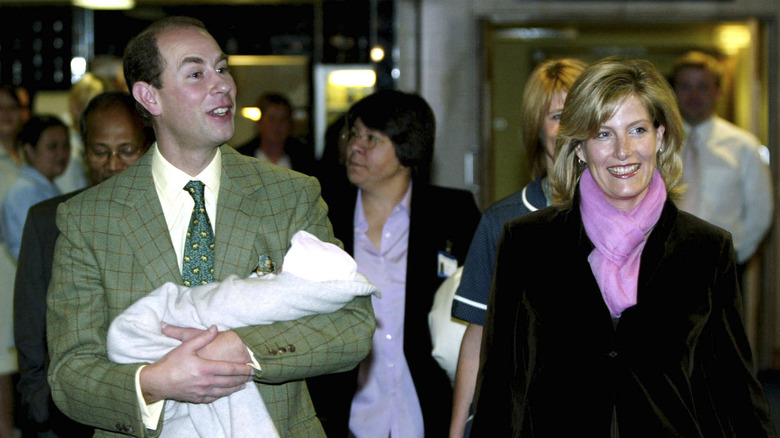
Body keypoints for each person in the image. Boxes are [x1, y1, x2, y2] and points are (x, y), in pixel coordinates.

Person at [46, 16, 374, 437]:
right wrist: (153, 383)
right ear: (150, 96)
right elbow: (70, 373)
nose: (222, 85)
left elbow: (353, 325)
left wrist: (243, 349)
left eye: (222, 69)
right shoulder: (90, 218)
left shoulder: (289, 195)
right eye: (196, 73)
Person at [469, 57, 774, 437]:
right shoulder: (527, 242)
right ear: (579, 147)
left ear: (660, 138)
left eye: (637, 130)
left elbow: (732, 392)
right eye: (603, 134)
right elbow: (503, 384)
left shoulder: (706, 249)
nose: (623, 151)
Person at [308, 90, 481, 437]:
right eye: (353, 134)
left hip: (430, 414)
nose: (355, 147)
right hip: (342, 419)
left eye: (372, 138)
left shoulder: (454, 215)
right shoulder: (321, 215)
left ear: (407, 149)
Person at [448, 57, 586, 438]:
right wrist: (458, 429)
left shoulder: (628, 215)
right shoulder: (503, 221)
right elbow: (477, 338)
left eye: (581, 115)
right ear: (534, 129)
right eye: (558, 116)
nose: (571, 129)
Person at [14, 91, 151, 438]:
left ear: (149, 148)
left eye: (127, 151)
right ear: (85, 150)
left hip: (147, 401)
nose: (113, 164)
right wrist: (38, 399)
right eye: (100, 152)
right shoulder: (48, 220)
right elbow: (31, 321)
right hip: (65, 413)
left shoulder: (165, 221)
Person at [672, 50, 773, 267]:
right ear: (674, 91)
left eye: (703, 86)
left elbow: (760, 211)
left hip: (724, 261)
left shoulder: (744, 146)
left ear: (718, 92)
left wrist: (735, 255)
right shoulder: (659, 144)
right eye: (686, 86)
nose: (694, 95)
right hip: (668, 261)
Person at [1, 115, 70, 261]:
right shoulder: (24, 192)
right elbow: (34, 252)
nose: (61, 153)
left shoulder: (46, 187)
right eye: (52, 147)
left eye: (65, 146)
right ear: (30, 150)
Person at [235, 92, 317, 175]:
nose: (277, 125)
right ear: (259, 123)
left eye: (283, 119)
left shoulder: (304, 158)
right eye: (271, 119)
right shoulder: (241, 158)